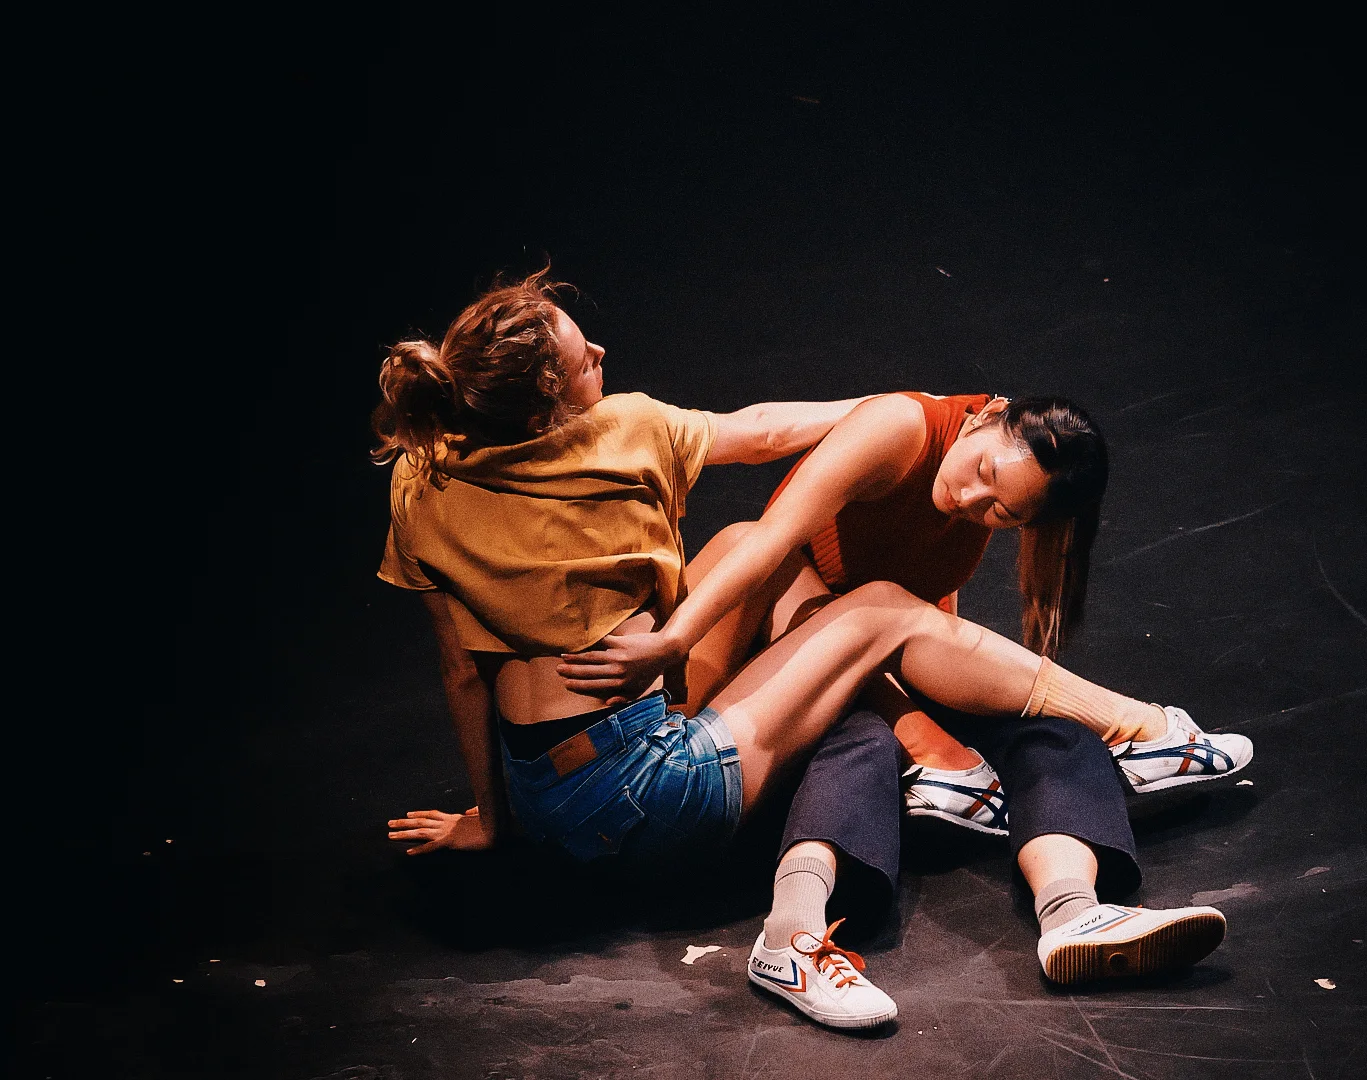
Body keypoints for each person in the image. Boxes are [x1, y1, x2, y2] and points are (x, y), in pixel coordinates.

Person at [378, 272, 1234, 1029]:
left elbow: (462, 669)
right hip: (651, 787)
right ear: (550, 408)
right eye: (582, 355)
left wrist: (494, 819)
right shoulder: (623, 428)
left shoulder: (420, 478)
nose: (601, 346)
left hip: (548, 790)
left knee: (988, 714)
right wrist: (905, 417)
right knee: (868, 674)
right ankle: (1144, 732)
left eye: (999, 512)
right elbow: (759, 449)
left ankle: (1070, 907)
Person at [548, 388, 1255, 1028]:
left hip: (874, 655)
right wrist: (913, 730)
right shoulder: (901, 430)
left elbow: (926, 623)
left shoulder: (967, 510)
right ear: (985, 416)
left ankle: (1073, 912)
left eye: (1001, 511)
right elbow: (771, 544)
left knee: (1054, 732)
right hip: (784, 675)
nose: (972, 499)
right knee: (860, 742)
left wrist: (941, 724)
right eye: (982, 472)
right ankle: (791, 934)